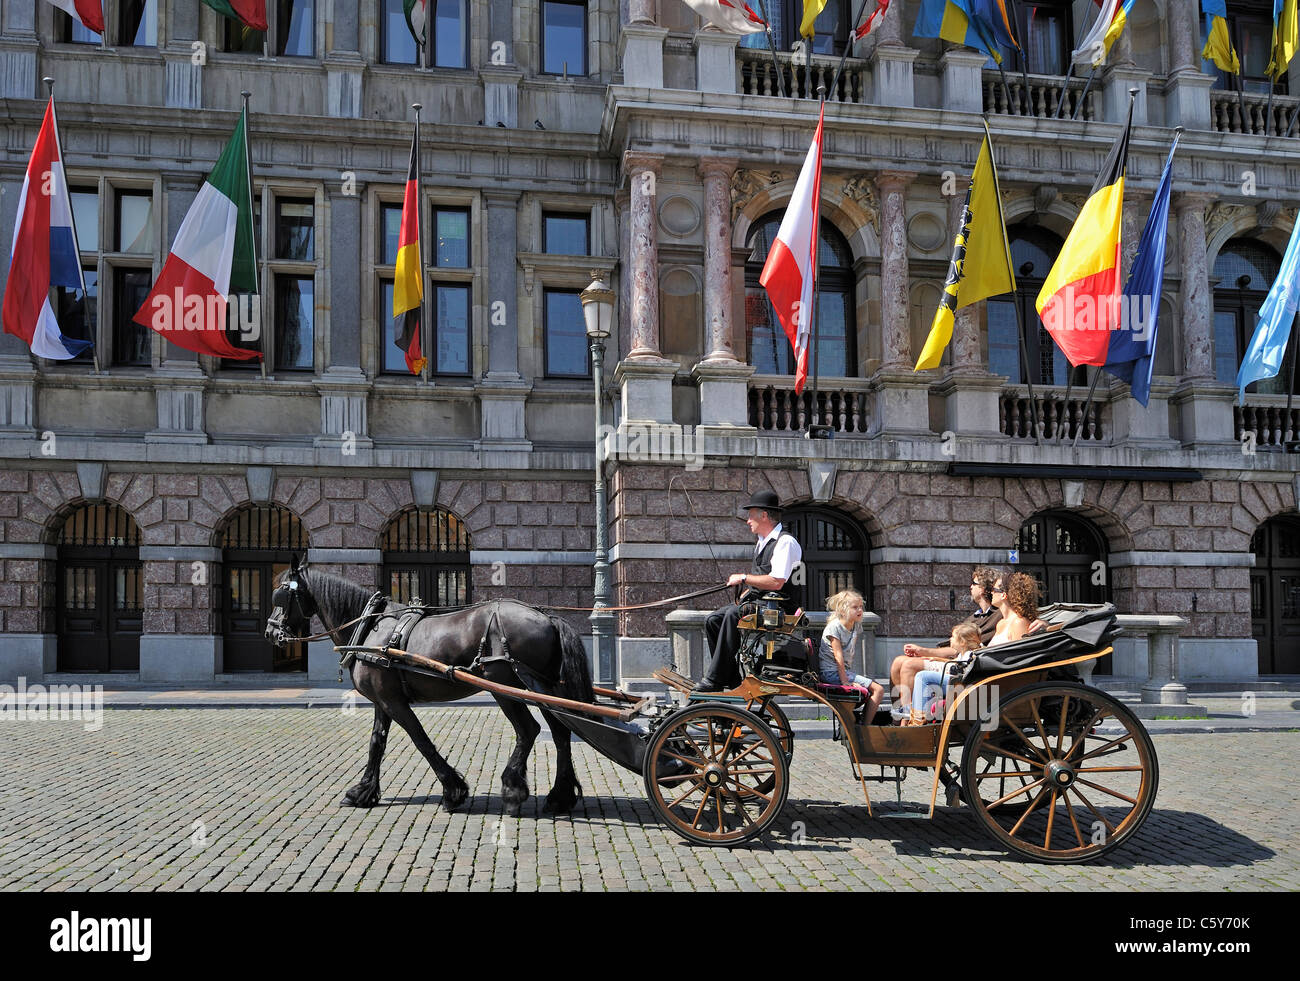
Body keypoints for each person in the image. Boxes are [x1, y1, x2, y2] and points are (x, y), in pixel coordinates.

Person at [695, 489, 802, 692]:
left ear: (764, 515)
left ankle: (715, 678)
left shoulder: (785, 542)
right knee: (713, 620)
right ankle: (731, 677)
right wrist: (747, 591)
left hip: (778, 607)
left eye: (751, 514)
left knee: (733, 614)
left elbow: (777, 581)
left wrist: (744, 578)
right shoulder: (762, 542)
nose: (747, 520)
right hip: (761, 602)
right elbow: (764, 579)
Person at [889, 566, 1002, 716]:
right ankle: (898, 715)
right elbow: (953, 646)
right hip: (956, 659)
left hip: (963, 665)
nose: (970, 587)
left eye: (973, 584)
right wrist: (922, 651)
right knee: (898, 662)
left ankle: (910, 719)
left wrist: (924, 651)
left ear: (982, 588)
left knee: (909, 665)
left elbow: (958, 649)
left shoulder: (996, 617)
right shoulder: (974, 617)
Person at [819, 588, 885, 721]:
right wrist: (845, 681)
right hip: (831, 673)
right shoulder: (834, 627)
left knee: (872, 689)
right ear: (842, 610)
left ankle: (862, 721)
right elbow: (838, 656)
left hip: (843, 672)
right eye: (855, 607)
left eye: (861, 607)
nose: (860, 610)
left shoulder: (856, 625)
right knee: (879, 690)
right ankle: (866, 727)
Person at [907, 622, 983, 725]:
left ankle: (918, 719)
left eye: (953, 637)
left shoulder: (970, 654)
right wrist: (938, 659)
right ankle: (917, 711)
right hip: (958, 682)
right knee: (924, 682)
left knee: (923, 676)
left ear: (963, 642)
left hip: (961, 684)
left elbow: (960, 668)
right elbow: (956, 662)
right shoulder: (963, 654)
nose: (950, 639)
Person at [987, 571, 1044, 646]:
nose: (991, 592)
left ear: (1003, 595)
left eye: (994, 590)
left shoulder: (1019, 622)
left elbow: (1018, 654)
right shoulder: (1000, 623)